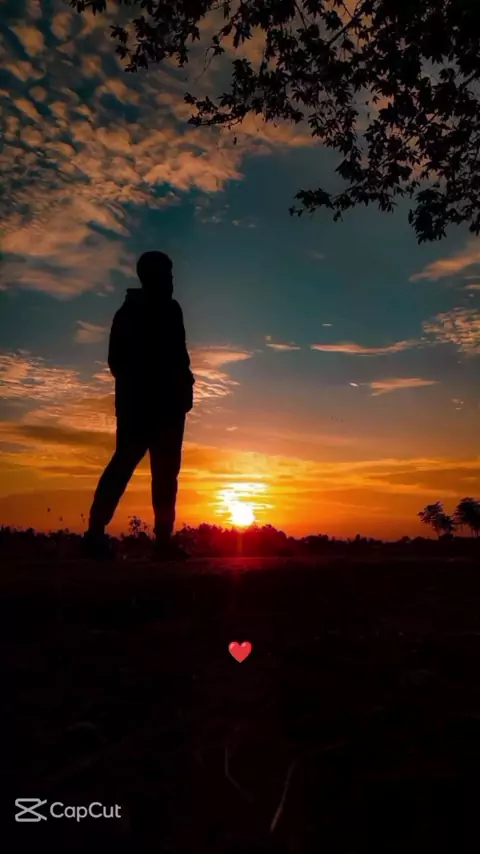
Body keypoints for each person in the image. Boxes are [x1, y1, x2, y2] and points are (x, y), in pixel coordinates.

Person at [83, 251, 195, 560]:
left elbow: (181, 356)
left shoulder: (172, 310)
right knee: (122, 466)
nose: (170, 282)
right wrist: (145, 387)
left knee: (166, 474)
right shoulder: (129, 313)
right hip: (139, 407)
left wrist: (185, 386)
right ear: (148, 278)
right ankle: (94, 534)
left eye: (171, 276)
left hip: (170, 408)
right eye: (165, 276)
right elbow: (117, 362)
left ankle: (163, 541)